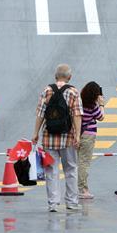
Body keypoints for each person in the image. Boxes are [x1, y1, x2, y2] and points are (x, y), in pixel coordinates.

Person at [31, 64, 82, 212]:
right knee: (70, 169)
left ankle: (53, 203)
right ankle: (71, 202)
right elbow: (77, 115)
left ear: (55, 76)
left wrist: (35, 132)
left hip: (49, 137)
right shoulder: (73, 92)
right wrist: (77, 135)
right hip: (68, 138)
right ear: (69, 77)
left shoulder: (47, 91)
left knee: (51, 171)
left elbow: (40, 114)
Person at [78, 81, 105, 200]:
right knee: (84, 163)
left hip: (78, 134)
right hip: (88, 135)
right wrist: (101, 105)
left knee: (78, 162)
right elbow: (101, 117)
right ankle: (83, 189)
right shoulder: (92, 106)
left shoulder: (79, 102)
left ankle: (78, 188)